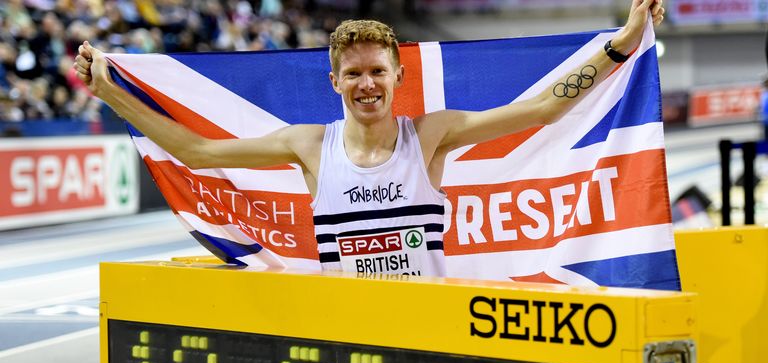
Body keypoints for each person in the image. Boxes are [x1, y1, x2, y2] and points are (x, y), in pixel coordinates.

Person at [73, 0, 665, 276]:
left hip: (429, 329)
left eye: (377, 71)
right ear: (334, 81)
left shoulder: (432, 134)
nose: (366, 83)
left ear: (398, 77)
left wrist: (624, 42)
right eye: (353, 73)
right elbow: (196, 153)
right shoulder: (307, 145)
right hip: (349, 332)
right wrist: (110, 92)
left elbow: (540, 109)